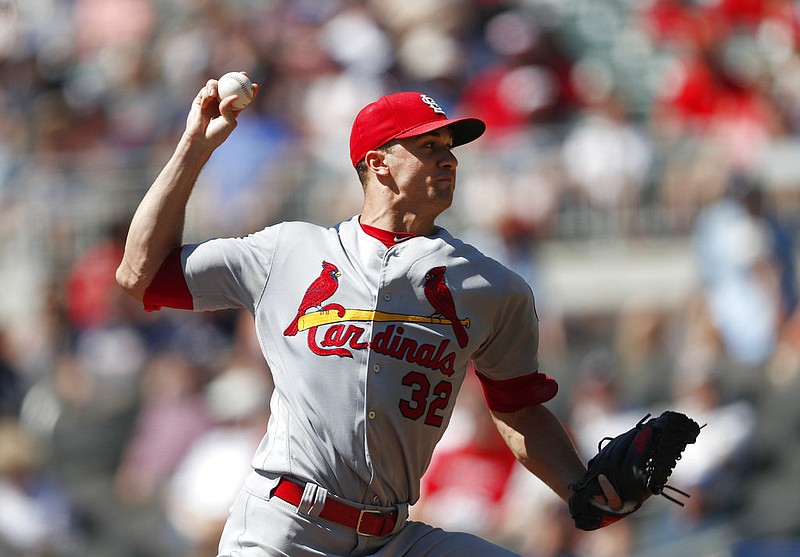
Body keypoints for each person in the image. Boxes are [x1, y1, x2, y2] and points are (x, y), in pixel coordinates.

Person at [116, 77, 620, 556]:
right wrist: (194, 146)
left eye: (450, 148)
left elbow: (518, 409)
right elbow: (140, 273)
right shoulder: (287, 251)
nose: (449, 160)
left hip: (392, 538)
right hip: (285, 528)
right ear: (378, 163)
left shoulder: (493, 288)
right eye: (429, 148)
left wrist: (584, 489)